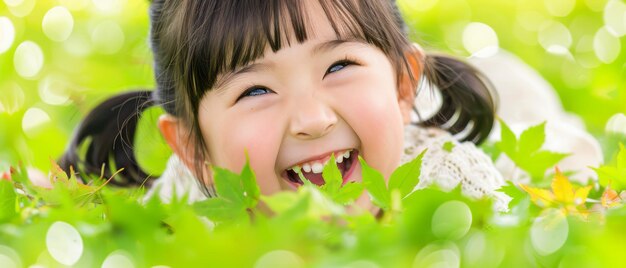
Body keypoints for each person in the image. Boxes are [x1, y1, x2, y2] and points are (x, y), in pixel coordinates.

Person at [59, 0, 516, 212]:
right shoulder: (191, 198)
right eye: (255, 91)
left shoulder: (450, 182)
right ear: (193, 150)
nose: (313, 121)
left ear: (401, 84)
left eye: (339, 65)